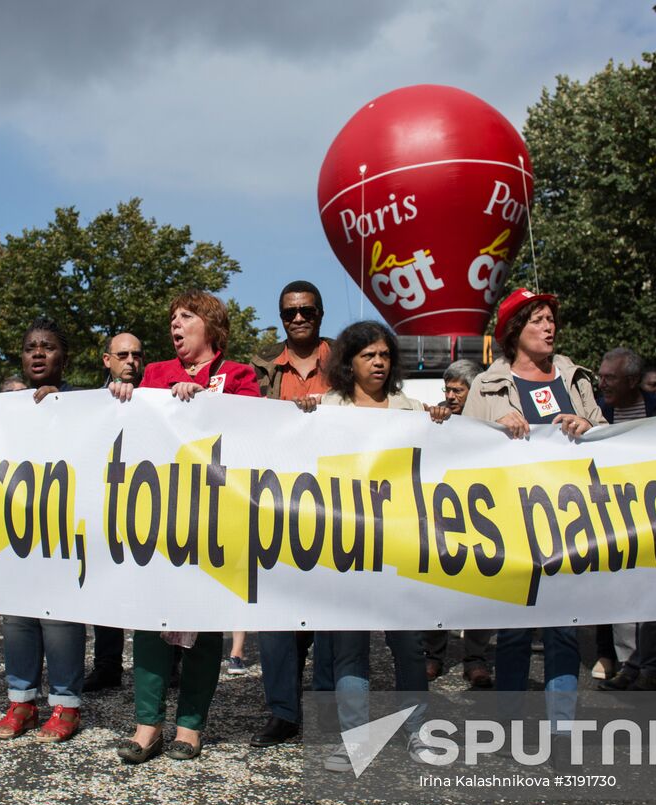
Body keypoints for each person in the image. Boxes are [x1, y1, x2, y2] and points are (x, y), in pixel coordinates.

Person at [108, 289, 260, 762]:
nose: (175, 325)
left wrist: (208, 405)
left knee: (204, 624)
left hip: (217, 522)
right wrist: (123, 398)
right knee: (152, 624)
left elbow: (256, 429)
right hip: (160, 516)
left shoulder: (239, 376)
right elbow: (130, 427)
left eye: (186, 316)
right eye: (173, 318)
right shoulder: (154, 375)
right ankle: (147, 724)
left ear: (211, 326)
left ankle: (191, 725)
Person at [297, 320, 450, 771]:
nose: (379, 362)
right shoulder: (325, 407)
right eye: (369, 355)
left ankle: (419, 732)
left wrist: (439, 421)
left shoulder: (410, 410)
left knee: (408, 647)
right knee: (349, 648)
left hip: (400, 548)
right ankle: (355, 740)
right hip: (347, 547)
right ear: (349, 363)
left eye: (385, 355)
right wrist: (301, 416)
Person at [462, 288, 604, 768]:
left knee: (564, 628)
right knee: (515, 629)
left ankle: (562, 731)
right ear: (514, 332)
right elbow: (461, 453)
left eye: (550, 320)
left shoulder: (574, 377)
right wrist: (493, 425)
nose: (549, 327)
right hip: (510, 523)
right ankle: (507, 727)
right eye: (538, 320)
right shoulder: (486, 385)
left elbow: (607, 437)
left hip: (571, 521)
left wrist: (585, 424)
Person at [247, 281, 333, 747]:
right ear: (281, 318)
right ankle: (283, 711)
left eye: (306, 311)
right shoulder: (260, 368)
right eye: (289, 313)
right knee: (276, 610)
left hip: (338, 502)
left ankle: (323, 709)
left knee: (331, 611)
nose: (298, 318)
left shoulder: (347, 359)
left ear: (320, 313)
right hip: (275, 501)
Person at [0, 319, 86, 744]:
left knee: (61, 620)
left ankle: (66, 704)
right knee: (18, 619)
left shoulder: (86, 404)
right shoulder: (0, 406)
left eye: (48, 346)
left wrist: (62, 409)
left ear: (63, 357)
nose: (38, 353)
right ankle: (22, 701)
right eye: (31, 346)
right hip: (14, 528)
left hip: (63, 527)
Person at [593, 347, 656, 691]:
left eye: (610, 377)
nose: (602, 383)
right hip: (613, 514)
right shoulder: (597, 412)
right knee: (621, 592)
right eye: (601, 376)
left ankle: (653, 666)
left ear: (633, 381)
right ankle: (628, 665)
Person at [424, 359, 493, 688]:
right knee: (438, 587)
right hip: (444, 515)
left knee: (480, 590)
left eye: (457, 390)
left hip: (484, 517)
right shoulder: (435, 418)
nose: (450, 396)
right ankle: (432, 655)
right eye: (447, 389)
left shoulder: (492, 419)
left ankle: (475, 660)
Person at [86, 332, 146, 692]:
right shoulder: (88, 401)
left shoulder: (161, 397)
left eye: (137, 355)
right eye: (122, 354)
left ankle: (161, 666)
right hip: (104, 505)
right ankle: (107, 664)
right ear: (107, 360)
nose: (131, 361)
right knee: (104, 585)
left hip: (147, 507)